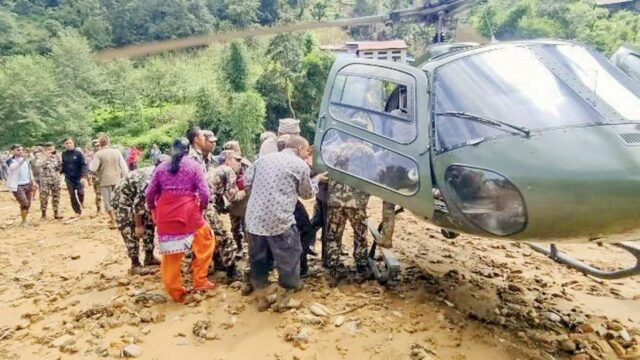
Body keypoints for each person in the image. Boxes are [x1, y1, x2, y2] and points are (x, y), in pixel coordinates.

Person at [245, 135, 327, 311]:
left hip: (254, 219)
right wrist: (317, 180)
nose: (307, 155)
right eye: (306, 151)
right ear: (299, 149)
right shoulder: (299, 165)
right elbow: (307, 194)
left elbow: (247, 180)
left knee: (258, 258)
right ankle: (284, 301)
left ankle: (262, 298)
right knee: (290, 256)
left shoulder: (263, 160)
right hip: (279, 220)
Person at [145, 139, 214, 302]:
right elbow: (205, 193)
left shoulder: (161, 168)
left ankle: (175, 291)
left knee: (170, 255)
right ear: (187, 149)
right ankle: (200, 280)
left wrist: (153, 209)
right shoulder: (194, 166)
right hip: (188, 212)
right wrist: (201, 209)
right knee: (205, 242)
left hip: (165, 213)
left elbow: (149, 193)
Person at [324, 141, 376, 287]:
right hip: (357, 201)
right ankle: (361, 267)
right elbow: (374, 174)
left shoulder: (334, 149)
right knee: (360, 235)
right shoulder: (367, 151)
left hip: (335, 200)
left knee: (333, 235)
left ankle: (332, 270)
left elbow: (326, 169)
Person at [112, 155, 168, 272]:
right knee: (130, 229)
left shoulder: (163, 176)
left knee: (149, 224)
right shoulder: (149, 181)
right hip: (124, 199)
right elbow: (138, 205)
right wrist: (138, 226)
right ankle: (135, 263)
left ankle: (149, 257)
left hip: (139, 200)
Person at [205, 150, 244, 277]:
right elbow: (232, 196)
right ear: (227, 160)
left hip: (198, 206)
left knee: (211, 236)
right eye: (236, 160)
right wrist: (244, 191)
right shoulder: (228, 171)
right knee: (223, 237)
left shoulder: (216, 170)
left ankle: (218, 263)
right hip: (208, 207)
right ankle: (231, 271)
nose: (239, 163)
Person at [89, 135, 129, 229]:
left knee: (108, 201)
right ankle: (120, 219)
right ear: (109, 142)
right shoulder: (116, 152)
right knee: (118, 199)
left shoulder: (98, 154)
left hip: (104, 180)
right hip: (117, 180)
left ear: (100, 143)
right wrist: (124, 177)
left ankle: (114, 221)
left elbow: (93, 168)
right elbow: (123, 167)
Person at [222, 141, 252, 259]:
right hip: (232, 201)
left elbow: (253, 181)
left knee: (247, 227)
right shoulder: (224, 165)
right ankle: (239, 247)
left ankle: (250, 250)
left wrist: (244, 191)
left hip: (246, 201)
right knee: (234, 227)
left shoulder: (246, 164)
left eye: (236, 150)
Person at [6, 144, 37, 227]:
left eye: (21, 150)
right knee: (25, 203)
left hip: (27, 183)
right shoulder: (10, 160)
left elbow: (29, 170)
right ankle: (24, 221)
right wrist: (23, 159)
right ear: (12, 151)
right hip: (17, 185)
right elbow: (14, 167)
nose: (20, 152)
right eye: (18, 150)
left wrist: (33, 180)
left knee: (28, 203)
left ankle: (24, 220)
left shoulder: (25, 160)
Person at [61, 138, 88, 217]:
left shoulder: (78, 153)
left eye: (70, 143)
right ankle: (77, 211)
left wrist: (83, 176)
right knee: (72, 195)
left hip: (78, 177)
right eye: (67, 143)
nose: (69, 145)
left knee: (81, 192)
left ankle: (82, 202)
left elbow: (83, 165)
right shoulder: (63, 154)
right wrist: (61, 174)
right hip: (69, 177)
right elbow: (62, 165)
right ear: (64, 145)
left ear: (73, 144)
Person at [37, 142, 63, 220]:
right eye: (48, 149)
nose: (50, 150)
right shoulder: (41, 156)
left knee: (56, 196)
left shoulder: (56, 156)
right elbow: (38, 165)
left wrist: (59, 158)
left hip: (55, 179)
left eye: (51, 149)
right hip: (45, 180)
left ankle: (56, 213)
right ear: (45, 149)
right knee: (43, 197)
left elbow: (60, 167)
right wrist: (46, 157)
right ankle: (43, 214)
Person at [87, 140, 103, 215]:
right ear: (93, 146)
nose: (97, 147)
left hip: (105, 176)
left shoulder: (104, 153)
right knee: (98, 193)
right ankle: (99, 209)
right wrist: (89, 178)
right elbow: (89, 168)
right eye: (96, 146)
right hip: (96, 177)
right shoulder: (91, 155)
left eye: (99, 145)